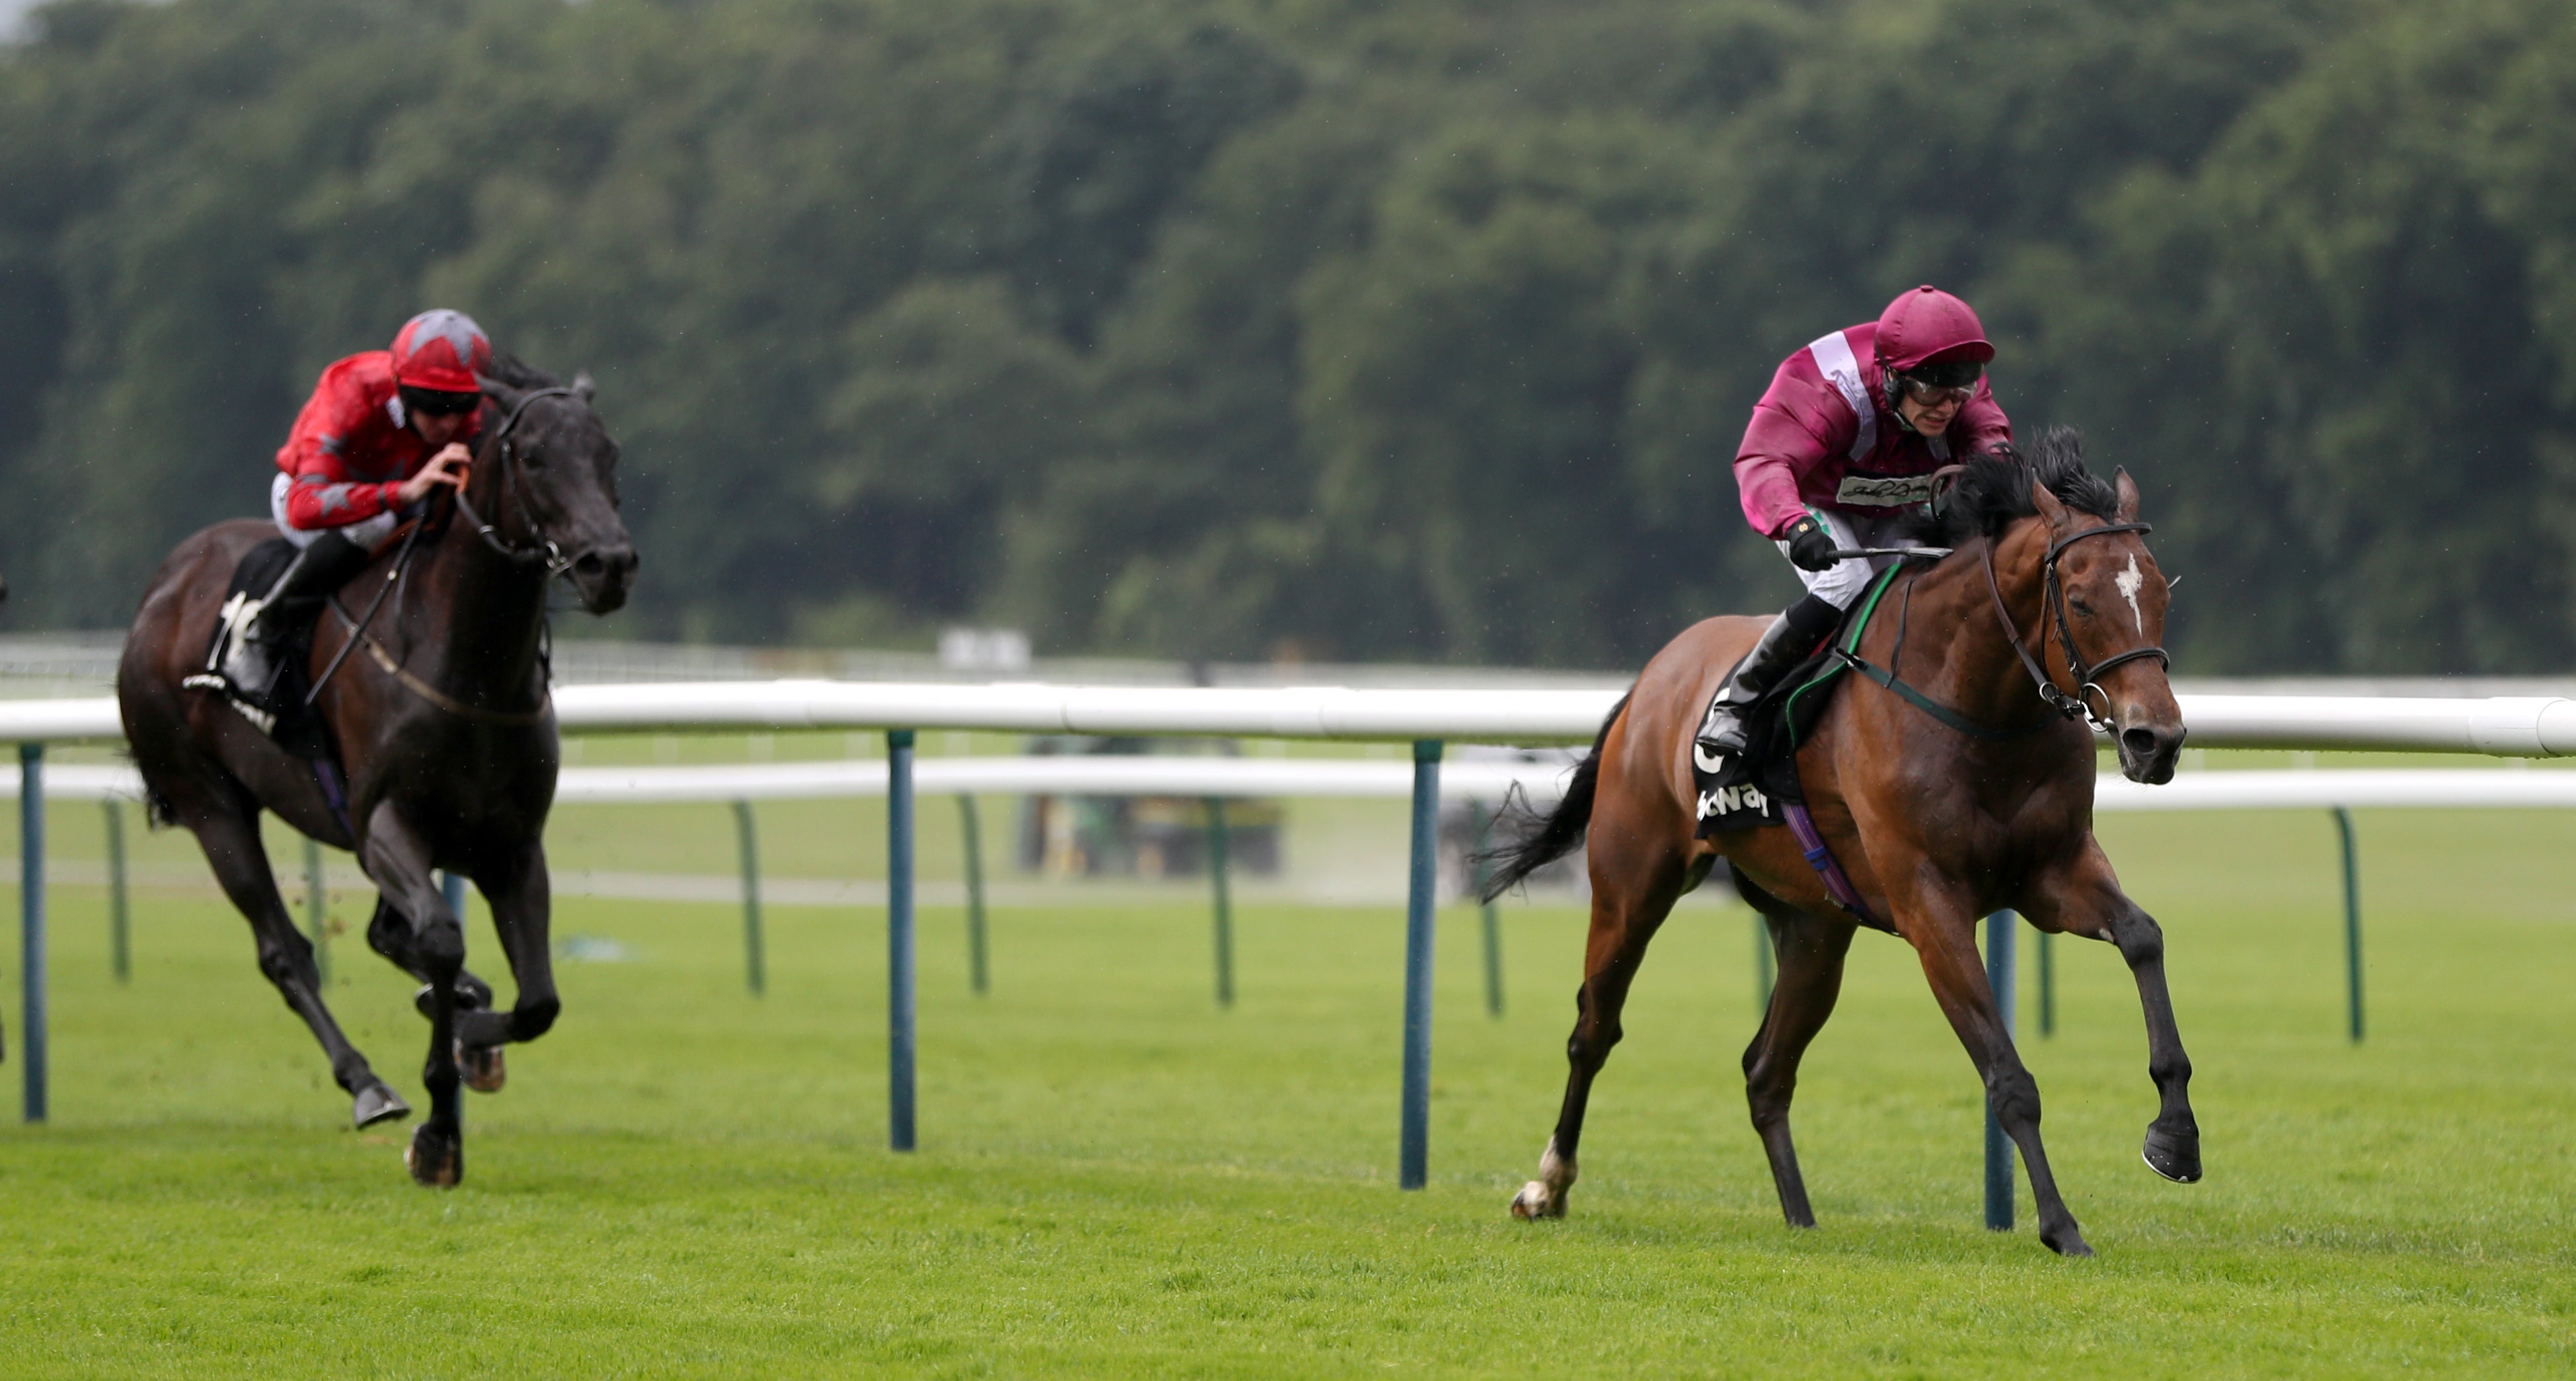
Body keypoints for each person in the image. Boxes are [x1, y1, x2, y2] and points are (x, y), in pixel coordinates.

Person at [1694, 284, 2012, 760]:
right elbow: (1763, 460)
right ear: (1889, 376)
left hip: (1895, 507)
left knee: (1930, 587)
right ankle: (1738, 704)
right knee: (1845, 587)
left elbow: (1994, 448)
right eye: (1930, 389)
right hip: (1813, 504)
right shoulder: (1827, 388)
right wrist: (1795, 525)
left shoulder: (1956, 389)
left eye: (1960, 388)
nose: (1947, 406)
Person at [209, 309, 486, 703]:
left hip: (400, 500)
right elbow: (305, 507)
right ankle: (263, 630)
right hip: (309, 499)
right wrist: (402, 493)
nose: (451, 422)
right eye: (435, 404)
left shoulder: (471, 413)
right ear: (401, 390)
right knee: (376, 523)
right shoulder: (350, 390)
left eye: (463, 404)